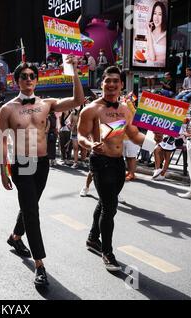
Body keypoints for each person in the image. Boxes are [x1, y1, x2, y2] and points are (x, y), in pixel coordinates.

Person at [0, 56, 84, 286]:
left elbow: (78, 99)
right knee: (32, 213)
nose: (28, 79)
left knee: (30, 206)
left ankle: (15, 237)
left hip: (43, 163)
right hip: (22, 163)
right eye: (24, 76)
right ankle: (40, 265)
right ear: (17, 81)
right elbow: (1, 140)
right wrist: (2, 170)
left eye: (32, 76)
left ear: (36, 80)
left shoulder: (47, 104)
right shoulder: (7, 108)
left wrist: (73, 70)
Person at [78, 66, 145, 271]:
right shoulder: (91, 109)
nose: (112, 84)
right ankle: (107, 252)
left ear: (121, 85)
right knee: (110, 207)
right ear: (102, 84)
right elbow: (80, 135)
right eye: (108, 81)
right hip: (100, 161)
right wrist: (90, 145)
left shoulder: (125, 108)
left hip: (118, 162)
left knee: (105, 203)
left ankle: (92, 238)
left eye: (116, 81)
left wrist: (154, 142)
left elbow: (133, 135)